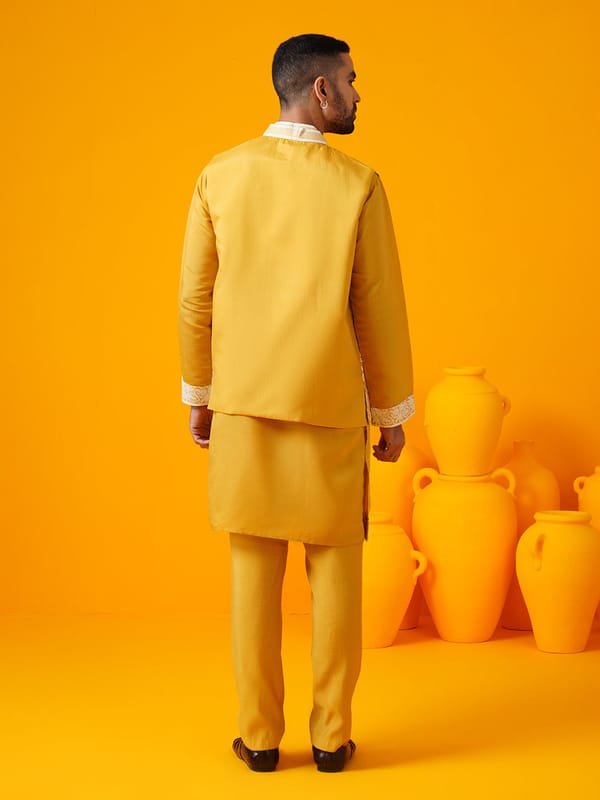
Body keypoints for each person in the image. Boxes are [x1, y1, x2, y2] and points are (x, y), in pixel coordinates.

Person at [178, 33, 414, 773]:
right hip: (330, 409)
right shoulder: (359, 184)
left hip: (244, 407)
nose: (357, 93)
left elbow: (194, 299)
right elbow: (379, 308)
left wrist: (200, 395)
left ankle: (257, 738)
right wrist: (391, 414)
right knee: (336, 580)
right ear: (321, 90)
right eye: (350, 79)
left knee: (252, 582)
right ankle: (331, 738)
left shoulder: (219, 175)